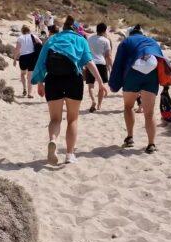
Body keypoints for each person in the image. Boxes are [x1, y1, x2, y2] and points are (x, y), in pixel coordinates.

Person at [31, 16, 108, 165]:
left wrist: (40, 83)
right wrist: (100, 82)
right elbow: (89, 62)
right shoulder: (81, 40)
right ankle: (69, 154)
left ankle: (53, 140)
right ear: (77, 30)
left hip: (53, 79)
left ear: (64, 28)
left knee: (55, 119)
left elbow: (41, 63)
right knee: (72, 119)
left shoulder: (52, 39)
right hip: (74, 79)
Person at [108, 24, 169, 154]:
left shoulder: (126, 42)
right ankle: (151, 144)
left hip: (132, 74)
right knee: (149, 113)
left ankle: (130, 138)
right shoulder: (152, 41)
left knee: (128, 106)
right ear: (143, 33)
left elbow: (118, 64)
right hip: (151, 75)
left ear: (130, 33)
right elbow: (161, 60)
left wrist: (114, 84)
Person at [84, 23, 113, 113]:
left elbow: (86, 51)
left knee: (90, 85)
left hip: (90, 63)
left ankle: (93, 101)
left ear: (96, 29)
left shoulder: (89, 39)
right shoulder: (106, 40)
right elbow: (108, 56)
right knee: (101, 85)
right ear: (104, 30)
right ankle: (99, 105)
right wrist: (111, 66)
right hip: (101, 63)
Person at [13, 24, 41, 98]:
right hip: (32, 57)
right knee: (30, 76)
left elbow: (17, 49)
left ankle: (24, 88)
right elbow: (40, 43)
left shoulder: (20, 38)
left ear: (22, 31)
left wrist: (15, 59)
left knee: (22, 74)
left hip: (23, 58)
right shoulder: (33, 36)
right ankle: (29, 93)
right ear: (29, 30)